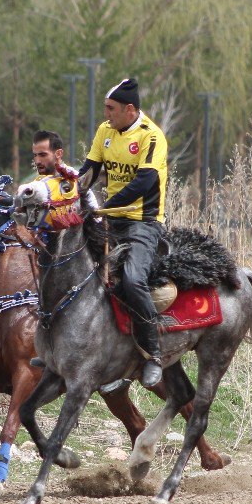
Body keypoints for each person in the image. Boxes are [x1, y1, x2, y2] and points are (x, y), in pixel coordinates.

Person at [77, 78, 168, 388]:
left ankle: (154, 355)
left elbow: (142, 184)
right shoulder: (105, 131)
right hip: (109, 221)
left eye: (111, 109)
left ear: (130, 109)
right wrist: (69, 191)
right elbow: (87, 171)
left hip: (143, 223)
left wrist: (104, 207)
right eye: (105, 108)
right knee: (80, 274)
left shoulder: (151, 137)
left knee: (131, 280)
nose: (106, 114)